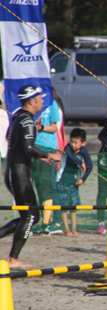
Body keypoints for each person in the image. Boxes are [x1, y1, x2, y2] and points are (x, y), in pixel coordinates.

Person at [0, 85, 61, 268]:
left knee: (29, 216)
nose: (42, 101)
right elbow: (28, 148)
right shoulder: (26, 120)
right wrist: (50, 155)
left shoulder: (19, 117)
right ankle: (13, 259)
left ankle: (13, 257)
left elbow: (16, 142)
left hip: (14, 173)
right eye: (40, 98)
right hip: (19, 175)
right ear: (31, 101)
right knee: (31, 217)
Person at [32, 88, 62, 235]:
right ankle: (35, 221)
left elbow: (55, 127)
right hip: (32, 147)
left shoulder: (52, 104)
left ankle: (46, 223)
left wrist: (41, 127)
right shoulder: (30, 106)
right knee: (35, 186)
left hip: (46, 147)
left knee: (46, 186)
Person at [56, 128, 93, 237]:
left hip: (74, 182)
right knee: (64, 206)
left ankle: (74, 228)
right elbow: (71, 158)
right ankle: (66, 229)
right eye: (72, 141)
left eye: (76, 142)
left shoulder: (84, 151)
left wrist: (83, 179)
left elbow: (90, 166)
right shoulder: (67, 148)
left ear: (83, 143)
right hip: (63, 180)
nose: (73, 144)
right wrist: (80, 162)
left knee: (73, 206)